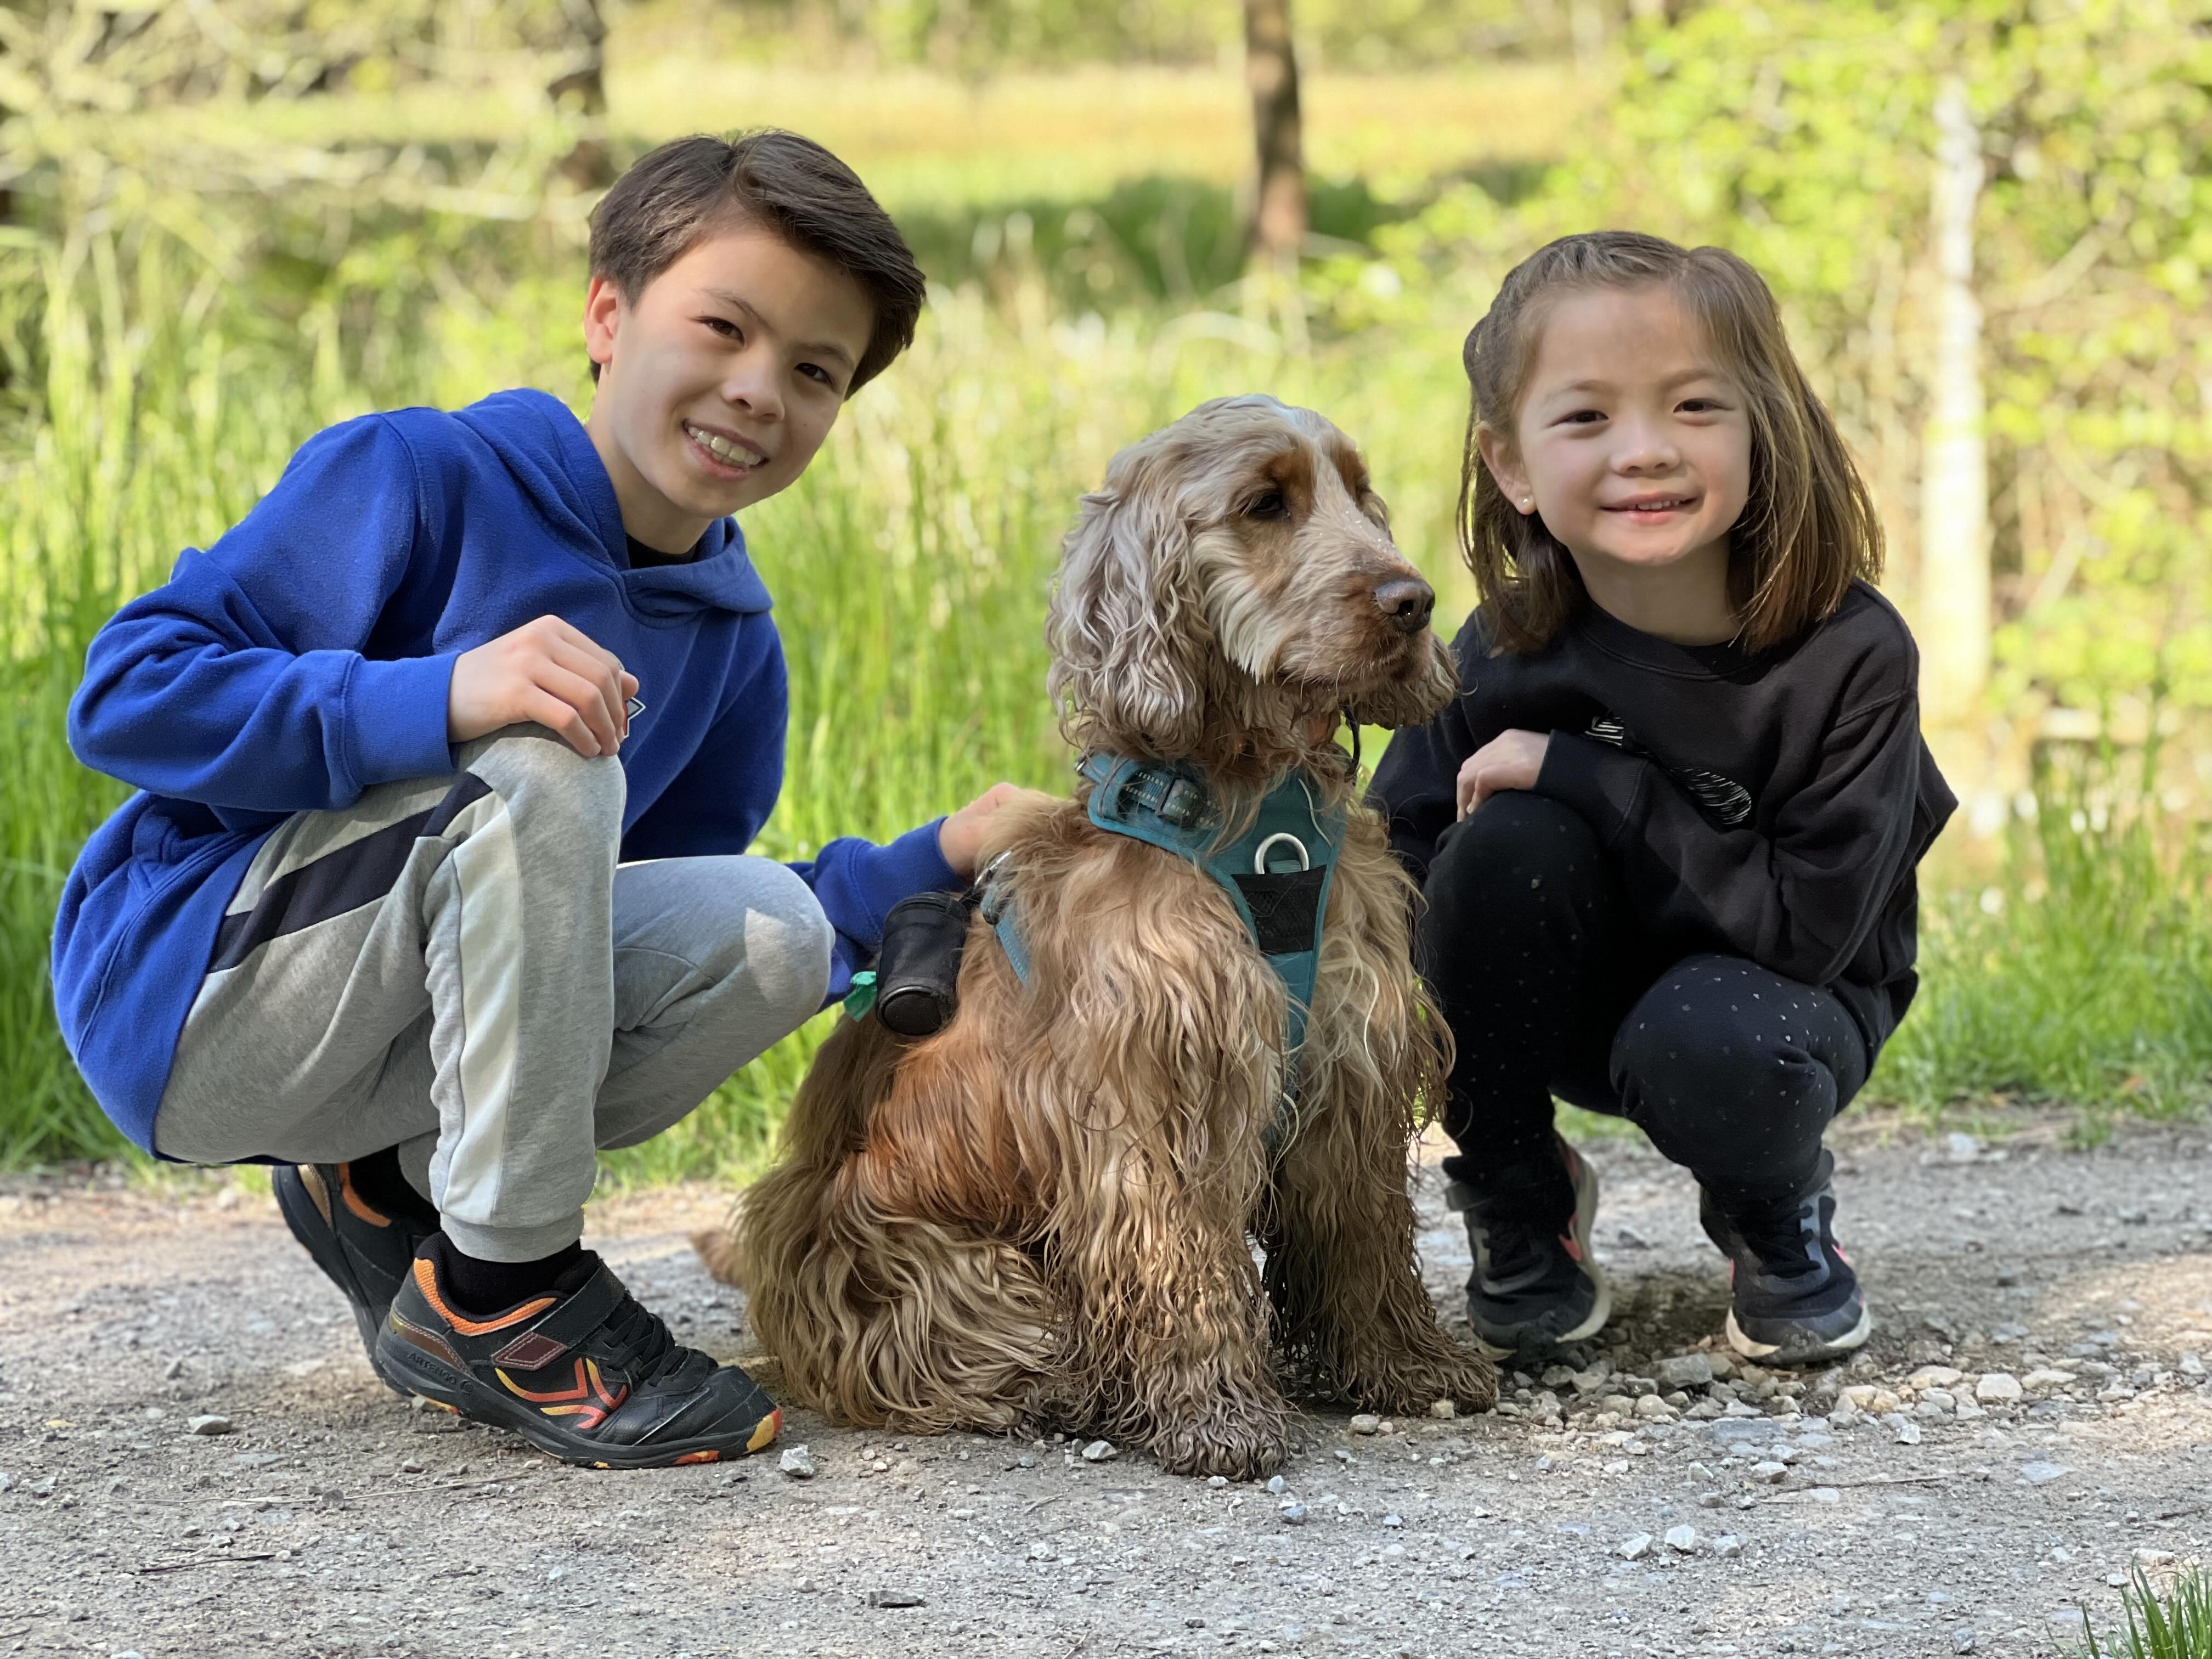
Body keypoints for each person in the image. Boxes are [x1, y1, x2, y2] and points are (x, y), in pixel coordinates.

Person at [55, 130, 1018, 1468]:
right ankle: (503, 1293)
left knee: (775, 935)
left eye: (815, 371)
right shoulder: (419, 476)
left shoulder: (734, 647)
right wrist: (440, 696)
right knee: (541, 753)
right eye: (724, 328)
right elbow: (127, 695)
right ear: (608, 316)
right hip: (187, 994)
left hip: (379, 1039)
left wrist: (940, 855)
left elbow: (604, 930)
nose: (758, 390)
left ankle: (384, 1188)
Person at [1372, 230, 1955, 1367]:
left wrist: (1589, 775)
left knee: (1710, 1036)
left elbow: (1810, 934)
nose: (1645, 451)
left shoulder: (1848, 657)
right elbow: (1396, 882)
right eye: (1587, 417)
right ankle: (1518, 1193)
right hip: (1562, 1007)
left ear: (1761, 430)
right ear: (1511, 465)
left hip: (1781, 1010)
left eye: (1694, 406)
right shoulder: (1500, 651)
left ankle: (1772, 1215)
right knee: (1489, 855)